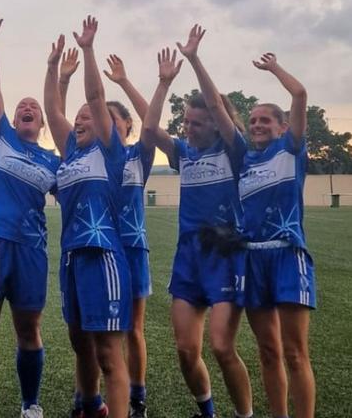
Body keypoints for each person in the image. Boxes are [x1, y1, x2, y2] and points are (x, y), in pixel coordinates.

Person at [143, 25, 253, 418]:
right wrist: (161, 84)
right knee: (186, 351)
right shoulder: (183, 154)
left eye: (197, 123)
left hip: (226, 254)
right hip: (188, 256)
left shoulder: (233, 150)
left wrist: (193, 59)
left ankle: (245, 415)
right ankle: (206, 411)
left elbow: (219, 109)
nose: (189, 128)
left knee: (223, 348)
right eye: (187, 122)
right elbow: (149, 128)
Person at [43, 17, 131, 418]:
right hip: (72, 257)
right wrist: (53, 71)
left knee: (109, 353)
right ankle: (89, 405)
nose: (79, 120)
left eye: (87, 117)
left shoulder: (109, 153)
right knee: (80, 343)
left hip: (103, 256)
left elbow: (96, 96)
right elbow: (51, 110)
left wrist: (90, 51)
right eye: (75, 118)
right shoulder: (73, 155)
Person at [0, 7, 60, 418]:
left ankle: (30, 404)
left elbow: (80, 199)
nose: (27, 107)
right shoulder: (1, 137)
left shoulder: (52, 161)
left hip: (30, 250)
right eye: (22, 105)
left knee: (29, 329)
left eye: (34, 108)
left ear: (42, 122)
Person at [240, 53, 315, 418]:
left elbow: (299, 94)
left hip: (288, 255)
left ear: (283, 126)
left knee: (295, 352)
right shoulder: (245, 161)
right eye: (252, 120)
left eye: (265, 120)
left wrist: (274, 69)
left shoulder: (291, 150)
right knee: (267, 352)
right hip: (253, 259)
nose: (257, 125)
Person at [101, 53, 161, 418]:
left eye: (113, 118)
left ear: (127, 126)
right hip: (101, 252)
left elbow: (152, 123)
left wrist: (124, 82)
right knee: (104, 330)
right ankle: (95, 396)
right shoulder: (92, 157)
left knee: (134, 329)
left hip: (133, 249)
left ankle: (137, 397)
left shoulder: (140, 156)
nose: (106, 125)